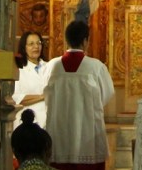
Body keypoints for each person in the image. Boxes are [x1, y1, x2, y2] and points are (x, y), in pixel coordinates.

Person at [44, 20, 114, 170]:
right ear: (85, 41)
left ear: (66, 40)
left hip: (59, 133)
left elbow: (45, 95)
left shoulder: (51, 66)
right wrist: (89, 106)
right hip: (87, 135)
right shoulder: (96, 67)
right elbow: (107, 94)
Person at [9, 31, 52, 128]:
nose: (36, 47)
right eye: (31, 44)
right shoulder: (19, 69)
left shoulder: (49, 66)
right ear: (24, 47)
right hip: (28, 121)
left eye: (38, 43)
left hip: (49, 119)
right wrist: (43, 96)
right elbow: (17, 98)